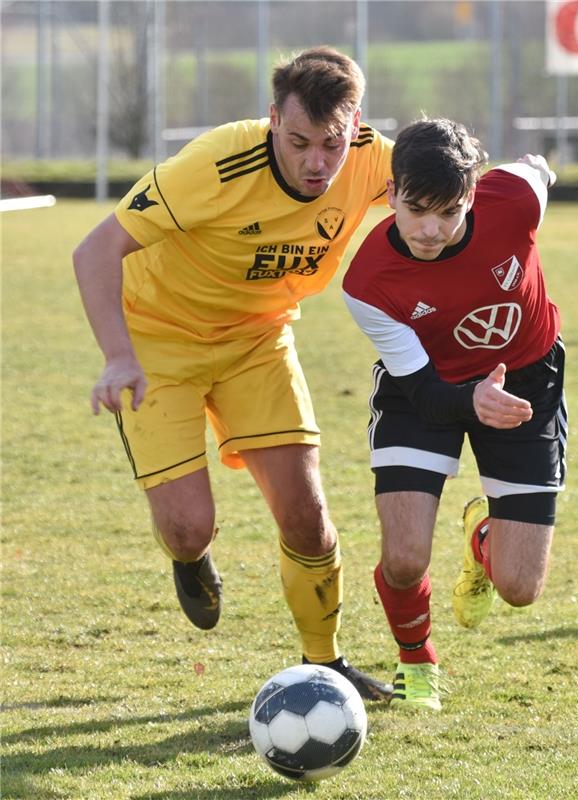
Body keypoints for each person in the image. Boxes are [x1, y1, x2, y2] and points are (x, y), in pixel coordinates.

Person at [72, 47, 395, 701]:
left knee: (306, 516)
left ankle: (323, 664)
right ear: (272, 118)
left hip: (258, 340)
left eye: (331, 145)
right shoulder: (217, 162)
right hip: (157, 343)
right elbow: (95, 248)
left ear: (354, 125)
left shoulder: (373, 157)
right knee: (188, 527)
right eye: (298, 141)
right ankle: (189, 561)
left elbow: (449, 199)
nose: (315, 162)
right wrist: (118, 355)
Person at [342, 118, 567, 710]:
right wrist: (470, 399)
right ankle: (417, 663)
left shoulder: (514, 199)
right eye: (415, 209)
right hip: (427, 389)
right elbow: (419, 388)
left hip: (526, 382)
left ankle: (482, 537)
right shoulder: (367, 282)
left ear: (472, 194)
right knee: (404, 556)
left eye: (449, 211)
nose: (431, 230)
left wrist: (538, 168)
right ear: (389, 195)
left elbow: (537, 170)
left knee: (519, 589)